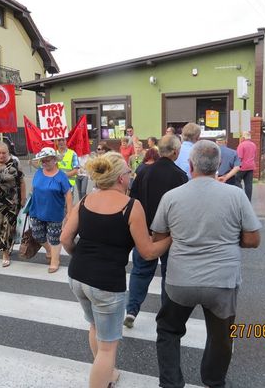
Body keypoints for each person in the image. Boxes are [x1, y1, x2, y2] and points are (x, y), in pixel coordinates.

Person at [151, 140, 261, 388]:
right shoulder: (236, 194)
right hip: (222, 281)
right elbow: (253, 239)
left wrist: (182, 235)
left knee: (168, 330)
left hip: (180, 280)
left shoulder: (171, 197)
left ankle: (171, 383)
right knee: (221, 337)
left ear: (190, 165)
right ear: (219, 165)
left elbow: (158, 238)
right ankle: (213, 381)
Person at [60, 152, 171, 388]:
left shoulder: (86, 200)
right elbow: (149, 251)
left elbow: (66, 238)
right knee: (108, 346)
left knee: (95, 327)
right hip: (107, 283)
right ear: (121, 178)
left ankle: (107, 374)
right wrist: (171, 238)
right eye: (129, 173)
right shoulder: (131, 206)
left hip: (77, 276)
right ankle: (104, 377)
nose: (131, 177)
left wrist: (78, 255)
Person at [124, 135, 187, 328]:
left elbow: (132, 200)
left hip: (145, 231)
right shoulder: (180, 176)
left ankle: (132, 310)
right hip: (169, 235)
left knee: (140, 271)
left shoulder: (144, 171)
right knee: (169, 273)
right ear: (176, 152)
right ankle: (165, 314)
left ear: (159, 151)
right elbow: (182, 209)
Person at [30, 147, 73, 273]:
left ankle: (55, 260)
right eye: (42, 161)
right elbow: (34, 189)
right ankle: (49, 250)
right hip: (37, 210)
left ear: (55, 160)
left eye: (47, 160)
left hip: (54, 211)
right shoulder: (38, 172)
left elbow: (68, 195)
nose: (44, 163)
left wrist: (69, 213)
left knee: (54, 237)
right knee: (37, 235)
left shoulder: (61, 176)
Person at [236, 131, 257, 201]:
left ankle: (241, 196)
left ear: (243, 137)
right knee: (248, 184)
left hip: (242, 167)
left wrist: (235, 166)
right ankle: (248, 200)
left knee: (236, 180)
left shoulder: (242, 145)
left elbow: (239, 157)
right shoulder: (253, 145)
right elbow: (254, 155)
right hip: (251, 167)